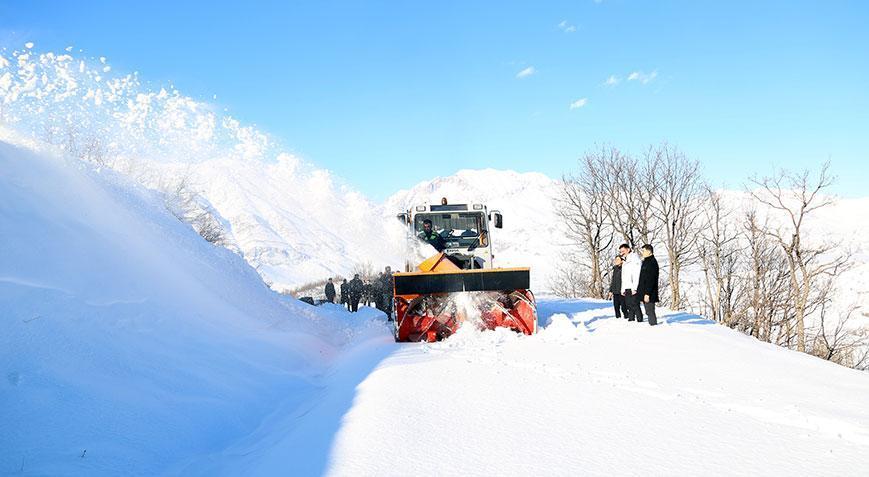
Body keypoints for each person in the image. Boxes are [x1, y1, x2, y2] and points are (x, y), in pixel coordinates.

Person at [618, 243, 643, 322]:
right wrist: (622, 289)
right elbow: (624, 277)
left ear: (628, 249)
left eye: (623, 251)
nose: (622, 253)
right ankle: (631, 318)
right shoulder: (625, 261)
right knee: (628, 304)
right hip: (626, 286)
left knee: (635, 304)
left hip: (633, 286)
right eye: (620, 252)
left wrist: (635, 287)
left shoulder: (635, 258)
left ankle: (639, 319)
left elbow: (637, 274)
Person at [636, 244, 660, 326]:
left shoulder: (652, 262)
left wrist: (647, 293)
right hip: (644, 291)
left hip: (649, 292)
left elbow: (651, 279)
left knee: (650, 311)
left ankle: (654, 327)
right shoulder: (646, 261)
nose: (642, 253)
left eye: (644, 251)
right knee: (647, 311)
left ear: (649, 251)